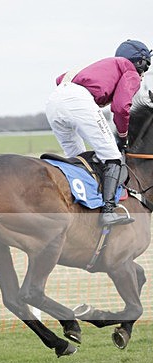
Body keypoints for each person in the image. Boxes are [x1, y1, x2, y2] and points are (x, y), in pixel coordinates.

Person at [45, 39, 151, 226]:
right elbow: (120, 108)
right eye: (145, 68)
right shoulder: (130, 71)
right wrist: (123, 136)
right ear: (139, 62)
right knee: (112, 157)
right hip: (77, 101)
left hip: (54, 102)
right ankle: (108, 211)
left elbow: (60, 79)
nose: (142, 76)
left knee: (78, 159)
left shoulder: (106, 66)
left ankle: (79, 206)